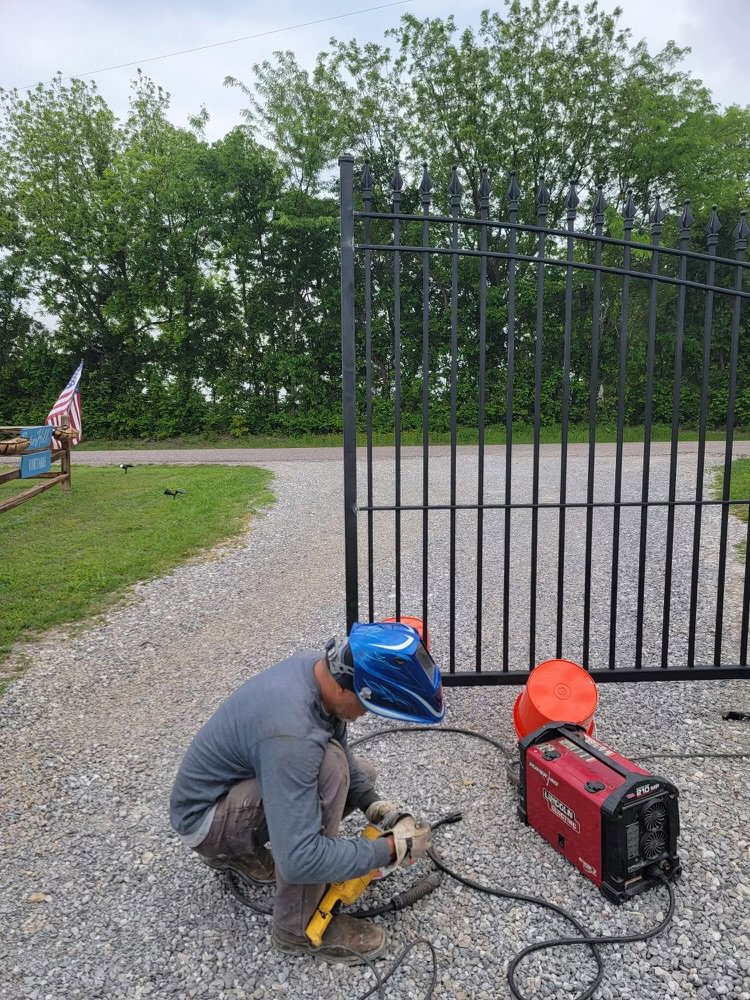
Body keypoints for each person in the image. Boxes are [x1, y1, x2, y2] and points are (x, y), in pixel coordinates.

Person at [169, 620, 444, 964]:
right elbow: (300, 859)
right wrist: (390, 849)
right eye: (366, 705)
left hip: (225, 795)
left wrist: (374, 805)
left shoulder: (322, 671)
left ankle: (238, 853)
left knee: (358, 772)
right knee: (331, 772)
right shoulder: (291, 736)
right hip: (204, 822)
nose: (363, 715)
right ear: (347, 689)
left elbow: (338, 743)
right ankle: (296, 927)